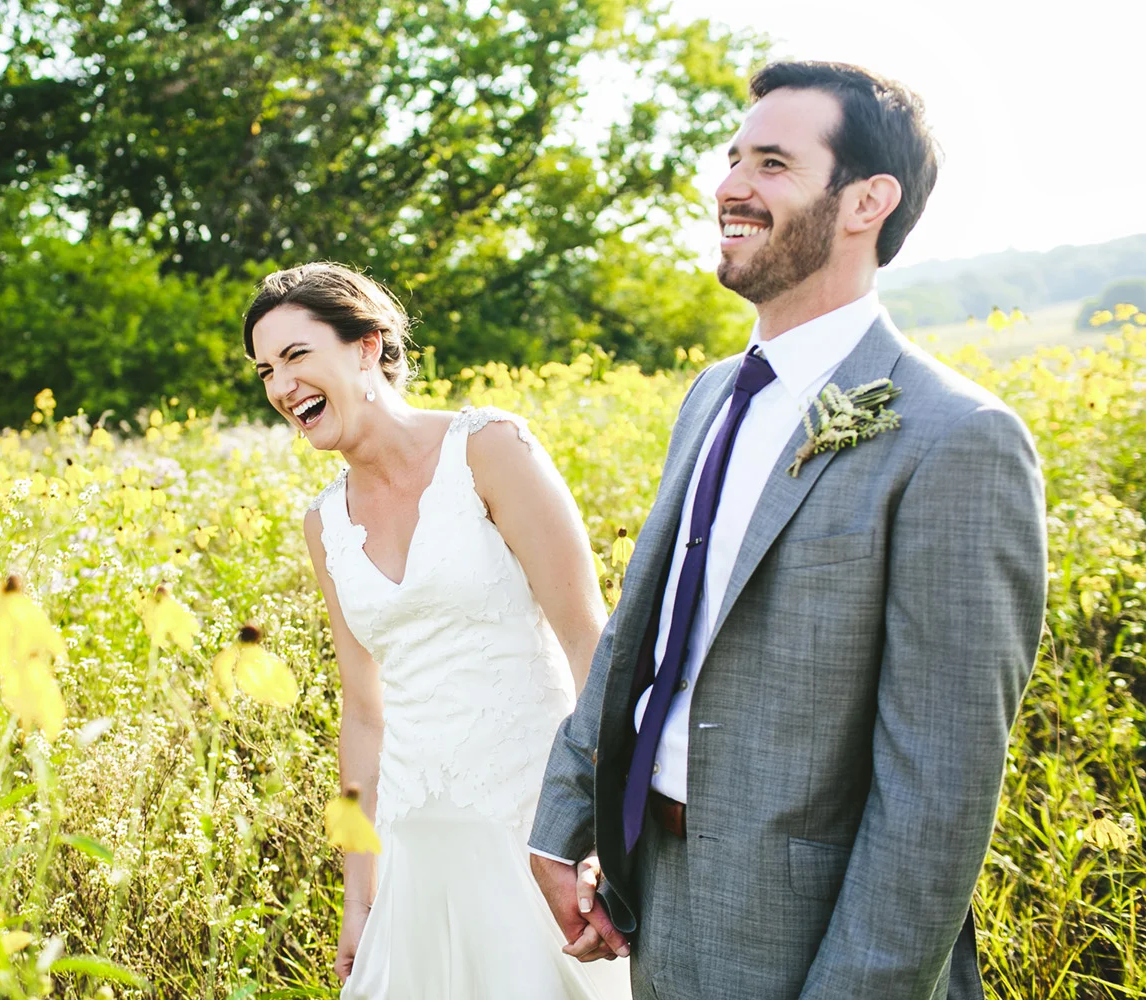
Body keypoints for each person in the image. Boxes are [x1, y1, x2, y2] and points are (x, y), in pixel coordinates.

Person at [529, 61, 1048, 999]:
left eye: (772, 163)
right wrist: (565, 821)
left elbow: (939, 790)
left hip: (816, 938)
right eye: (733, 159)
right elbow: (645, 635)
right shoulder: (711, 396)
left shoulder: (957, 438)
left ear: (866, 202)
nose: (730, 186)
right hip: (657, 895)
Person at [244, 262, 630, 998]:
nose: (280, 387)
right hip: (418, 848)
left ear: (365, 346)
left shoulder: (489, 449)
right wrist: (360, 900)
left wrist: (601, 833)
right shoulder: (324, 523)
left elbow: (589, 641)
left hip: (535, 828)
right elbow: (363, 712)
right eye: (265, 370)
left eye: (296, 356)